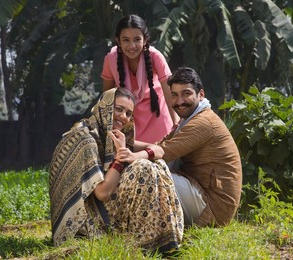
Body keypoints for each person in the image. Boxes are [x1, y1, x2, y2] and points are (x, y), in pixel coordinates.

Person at [49, 88, 183, 254]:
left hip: (101, 204)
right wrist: (120, 159)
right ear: (105, 107)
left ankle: (163, 239)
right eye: (118, 109)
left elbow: (158, 150)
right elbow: (103, 193)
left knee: (158, 164)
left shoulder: (112, 134)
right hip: (84, 220)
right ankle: (146, 243)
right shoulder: (86, 138)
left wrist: (132, 154)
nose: (123, 117)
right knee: (144, 168)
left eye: (128, 113)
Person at [158, 67, 242, 227]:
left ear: (200, 94)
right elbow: (161, 145)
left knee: (152, 174)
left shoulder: (203, 122)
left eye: (186, 93)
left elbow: (163, 152)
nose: (179, 101)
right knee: (148, 169)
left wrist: (128, 158)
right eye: (174, 95)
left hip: (214, 208)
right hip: (198, 192)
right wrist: (128, 145)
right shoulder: (188, 119)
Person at [101, 14, 179, 143]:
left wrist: (176, 123)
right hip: (127, 120)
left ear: (145, 39)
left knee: (162, 158)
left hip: (157, 115)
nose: (132, 46)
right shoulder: (111, 58)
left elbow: (170, 93)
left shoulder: (156, 56)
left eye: (137, 39)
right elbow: (107, 97)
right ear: (118, 40)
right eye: (126, 40)